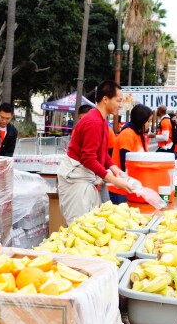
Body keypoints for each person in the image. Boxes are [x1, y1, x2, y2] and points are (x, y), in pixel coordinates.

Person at [57, 81, 135, 225]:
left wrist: (116, 170)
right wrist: (114, 180)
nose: (120, 104)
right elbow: (88, 159)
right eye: (118, 100)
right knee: (80, 228)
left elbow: (102, 152)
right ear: (105, 99)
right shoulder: (93, 122)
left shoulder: (102, 121)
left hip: (84, 178)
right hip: (76, 180)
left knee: (90, 226)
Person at [110, 104, 153, 204]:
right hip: (121, 190)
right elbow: (125, 164)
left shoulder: (138, 134)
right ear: (141, 120)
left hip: (133, 187)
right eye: (148, 121)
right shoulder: (128, 134)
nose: (149, 124)